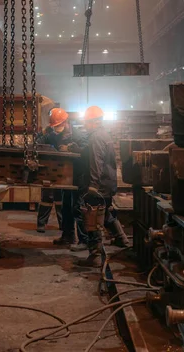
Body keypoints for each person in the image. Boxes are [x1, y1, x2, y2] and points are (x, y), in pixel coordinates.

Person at [71, 106, 130, 264]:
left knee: (93, 217)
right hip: (107, 184)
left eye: (87, 122)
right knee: (106, 213)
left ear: (93, 122)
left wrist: (93, 185)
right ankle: (122, 239)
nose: (85, 125)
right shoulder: (104, 135)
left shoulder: (96, 137)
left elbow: (96, 162)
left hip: (99, 185)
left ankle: (95, 256)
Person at [35, 108, 70, 235]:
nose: (58, 127)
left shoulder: (70, 135)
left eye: (60, 124)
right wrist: (42, 133)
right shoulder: (49, 134)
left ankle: (63, 223)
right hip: (49, 170)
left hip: (64, 170)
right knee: (47, 197)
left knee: (60, 198)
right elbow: (37, 143)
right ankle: (42, 223)